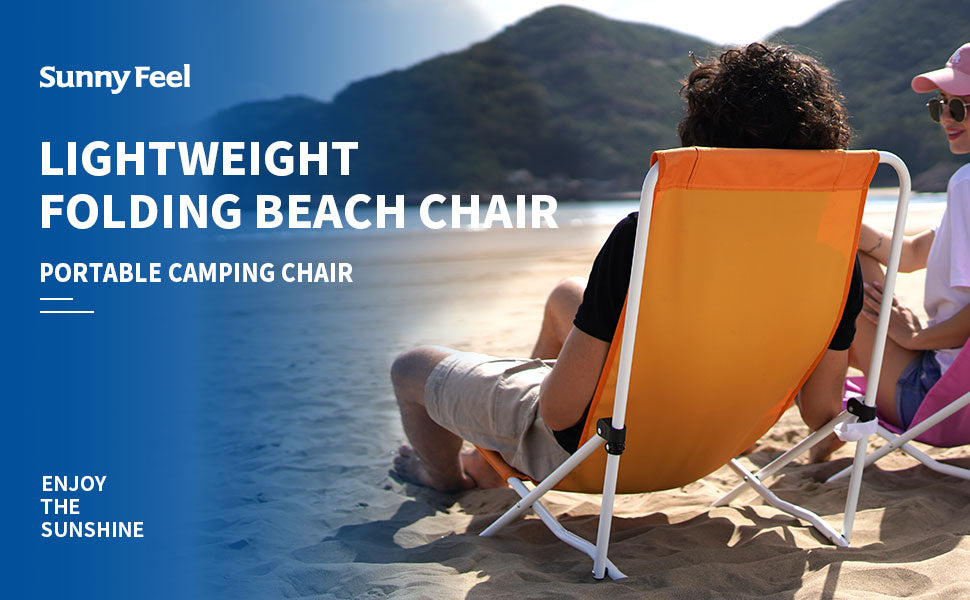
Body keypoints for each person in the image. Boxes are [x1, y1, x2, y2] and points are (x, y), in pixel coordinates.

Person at [391, 43, 862, 493]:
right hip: (713, 449)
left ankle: (449, 479)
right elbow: (822, 410)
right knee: (565, 296)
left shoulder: (649, 238)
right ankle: (502, 450)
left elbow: (559, 413)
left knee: (410, 367)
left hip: (601, 455)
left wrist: (536, 388)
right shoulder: (838, 263)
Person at [849, 43, 970, 431]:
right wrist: (845, 229)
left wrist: (920, 337)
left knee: (845, 277)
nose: (946, 118)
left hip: (937, 401)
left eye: (961, 107)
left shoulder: (967, 185)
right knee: (855, 265)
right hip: (960, 399)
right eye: (940, 105)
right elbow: (913, 253)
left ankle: (819, 420)